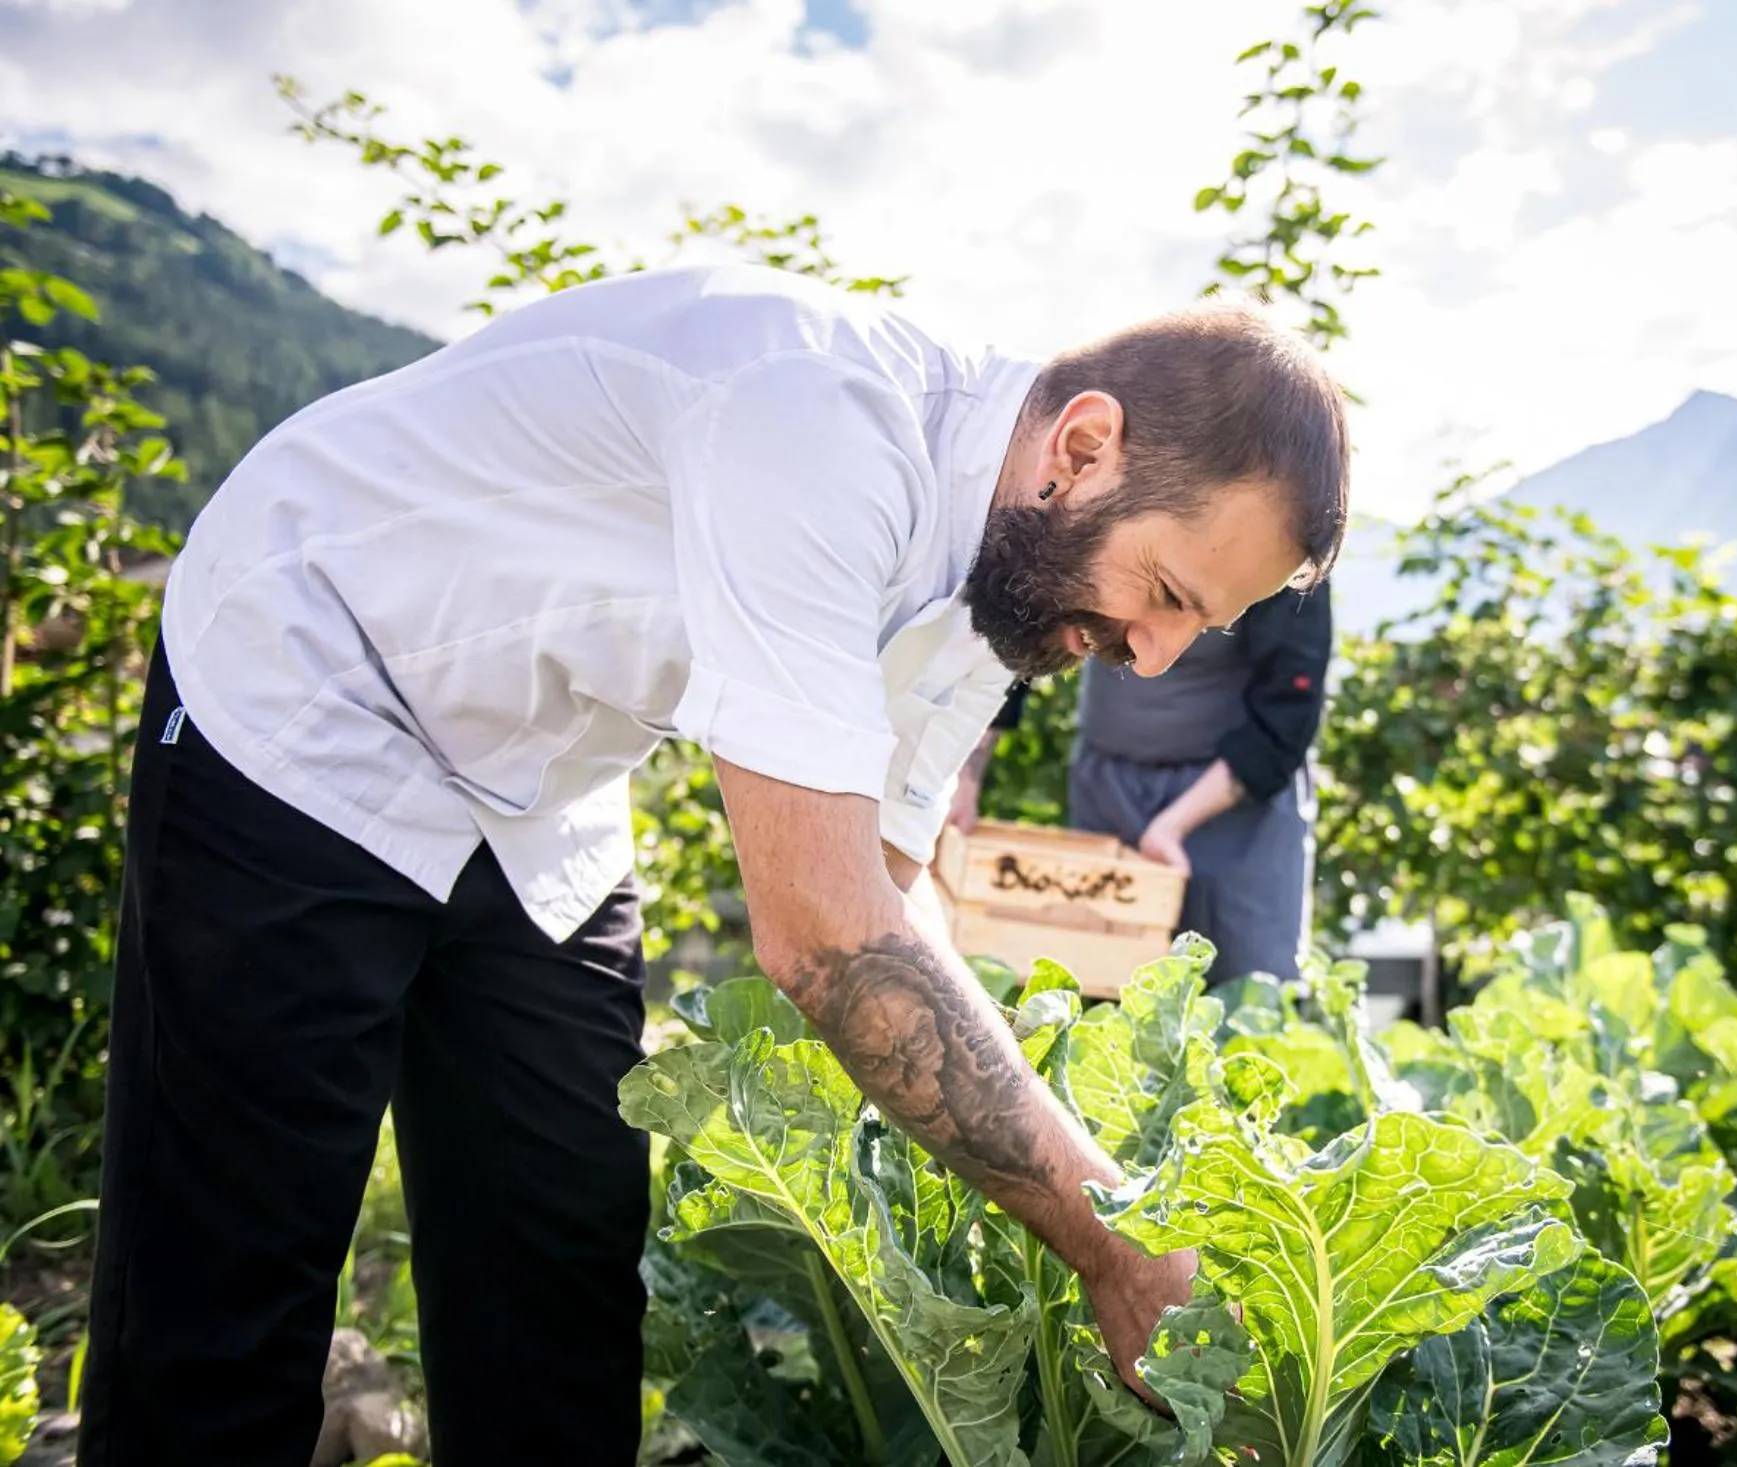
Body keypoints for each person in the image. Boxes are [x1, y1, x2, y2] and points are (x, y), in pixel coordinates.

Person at [77, 262, 1351, 1466]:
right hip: (315, 678)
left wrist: (1039, 1079)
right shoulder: (817, 424)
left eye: (1202, 628)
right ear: (1082, 449)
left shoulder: (1013, 582)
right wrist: (1115, 1242)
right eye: (1170, 595)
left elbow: (893, 884)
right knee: (233, 1275)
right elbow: (827, 937)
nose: (1154, 658)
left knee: (560, 1265)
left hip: (540, 785)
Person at [954, 580, 1332, 984]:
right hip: (1108, 790)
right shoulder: (1100, 522)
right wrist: (964, 777)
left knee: (1244, 990)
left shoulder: (1283, 547)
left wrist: (1174, 824)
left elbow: (1287, 715)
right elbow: (1022, 631)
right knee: (1098, 978)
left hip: (1232, 805)